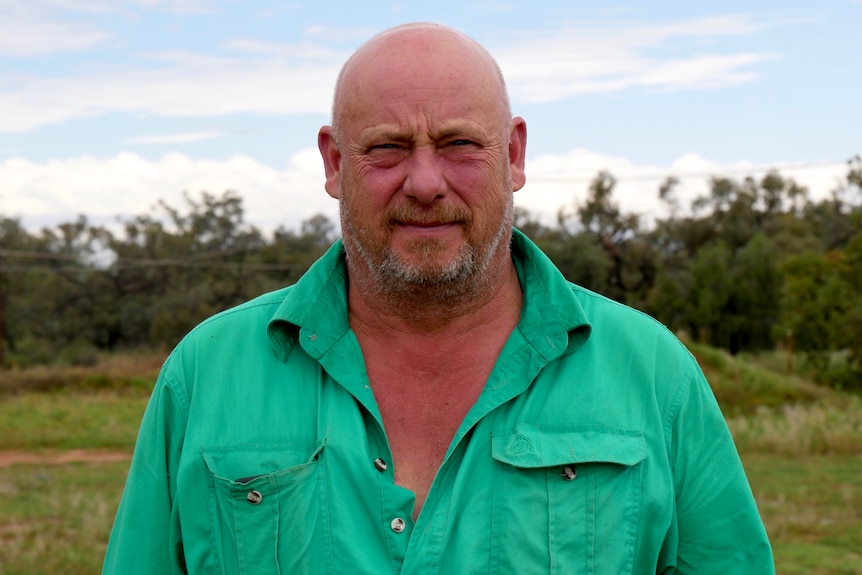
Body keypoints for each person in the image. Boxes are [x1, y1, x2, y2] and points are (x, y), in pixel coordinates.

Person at [103, 22, 775, 574]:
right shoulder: (205, 376)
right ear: (334, 163)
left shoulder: (653, 375)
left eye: (459, 144)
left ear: (514, 153)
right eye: (388, 148)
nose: (424, 182)